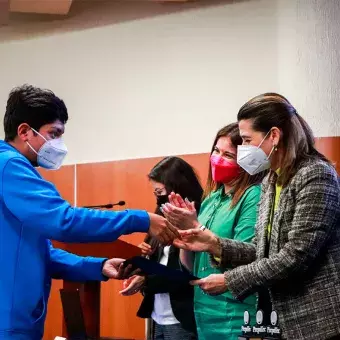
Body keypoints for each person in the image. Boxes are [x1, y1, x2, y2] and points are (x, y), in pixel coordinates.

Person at [0, 85, 179, 340]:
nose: (59, 144)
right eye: (54, 134)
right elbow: (65, 221)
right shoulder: (9, 167)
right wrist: (140, 219)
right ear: (24, 132)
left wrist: (99, 266)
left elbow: (43, 254)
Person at [171, 93, 340, 340]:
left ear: (274, 135)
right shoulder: (273, 178)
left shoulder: (315, 175)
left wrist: (229, 280)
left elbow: (295, 257)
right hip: (279, 318)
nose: (243, 151)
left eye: (248, 140)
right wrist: (214, 244)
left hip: (317, 320)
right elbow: (265, 252)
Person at [161, 123, 265, 340]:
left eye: (228, 154)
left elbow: (247, 255)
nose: (218, 158)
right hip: (203, 308)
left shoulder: (253, 195)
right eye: (216, 151)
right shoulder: (210, 199)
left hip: (235, 311)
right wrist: (184, 234)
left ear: (244, 160)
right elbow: (194, 264)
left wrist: (197, 227)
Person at [120, 156, 203, 340]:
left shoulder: (197, 216)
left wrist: (146, 280)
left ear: (177, 187)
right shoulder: (160, 214)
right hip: (158, 314)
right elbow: (157, 263)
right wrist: (144, 257)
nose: (158, 199)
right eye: (155, 193)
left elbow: (187, 273)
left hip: (184, 316)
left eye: (160, 192)